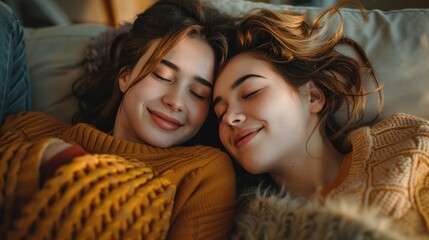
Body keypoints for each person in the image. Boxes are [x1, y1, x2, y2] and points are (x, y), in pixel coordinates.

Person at [0, 0, 237, 239]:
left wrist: (63, 163)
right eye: (162, 75)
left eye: (198, 94)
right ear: (125, 76)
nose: (175, 101)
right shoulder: (29, 128)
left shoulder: (203, 172)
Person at [213, 0, 429, 238]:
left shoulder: (405, 145)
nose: (230, 118)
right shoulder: (242, 225)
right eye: (220, 113)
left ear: (313, 96)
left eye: (251, 92)